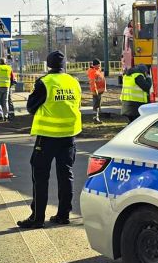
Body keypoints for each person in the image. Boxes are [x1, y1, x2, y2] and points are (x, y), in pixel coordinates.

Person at [18, 50, 82, 229]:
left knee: (40, 177)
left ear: (48, 65)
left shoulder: (45, 82)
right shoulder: (73, 82)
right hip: (69, 136)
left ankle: (37, 218)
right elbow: (76, 105)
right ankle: (63, 215)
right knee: (65, 174)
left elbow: (31, 107)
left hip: (47, 137)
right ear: (64, 65)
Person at [86, 59, 107, 124]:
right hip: (96, 91)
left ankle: (97, 117)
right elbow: (92, 82)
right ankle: (95, 118)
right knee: (96, 105)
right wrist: (95, 91)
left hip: (99, 91)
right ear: (96, 65)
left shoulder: (97, 70)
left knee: (97, 104)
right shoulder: (93, 71)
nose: (100, 66)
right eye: (99, 64)